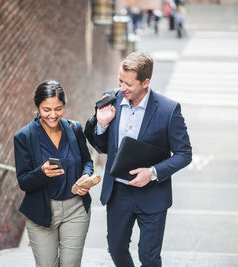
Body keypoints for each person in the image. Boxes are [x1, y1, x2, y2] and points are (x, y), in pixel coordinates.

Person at [92, 52, 192, 266]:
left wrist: (152, 172)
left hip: (153, 194)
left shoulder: (168, 110)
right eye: (120, 80)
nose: (121, 88)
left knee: (149, 256)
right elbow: (101, 147)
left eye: (128, 84)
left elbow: (184, 154)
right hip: (118, 193)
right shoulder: (110, 100)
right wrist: (101, 125)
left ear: (145, 82)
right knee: (116, 249)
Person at [14, 80, 94, 267]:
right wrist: (41, 172)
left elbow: (87, 161)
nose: (52, 115)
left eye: (58, 109)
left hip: (76, 209)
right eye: (46, 110)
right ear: (38, 107)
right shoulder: (24, 137)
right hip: (42, 212)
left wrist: (86, 176)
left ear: (64, 105)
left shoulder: (74, 129)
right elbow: (23, 182)